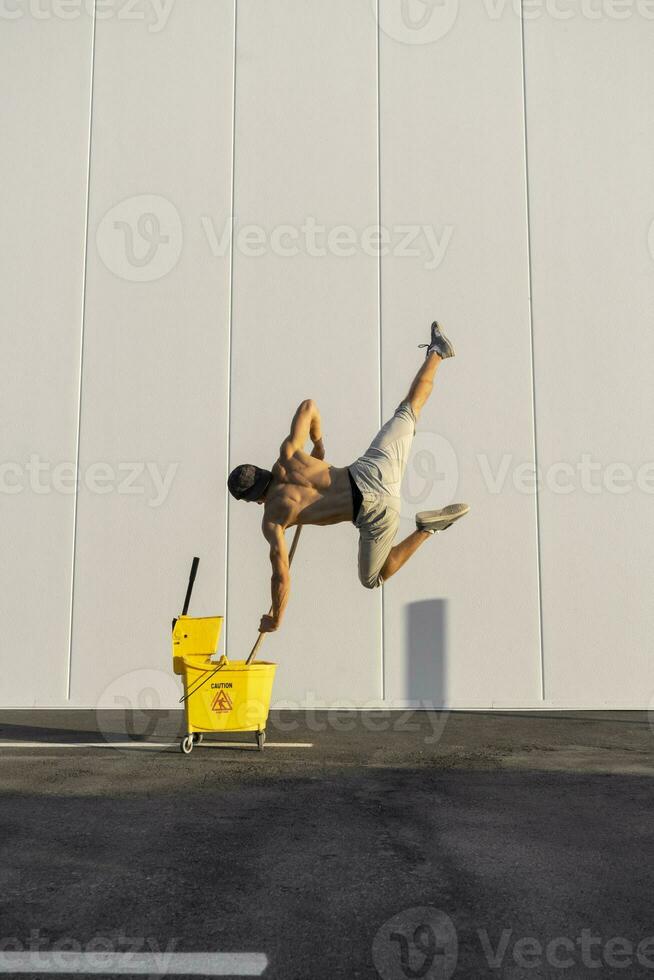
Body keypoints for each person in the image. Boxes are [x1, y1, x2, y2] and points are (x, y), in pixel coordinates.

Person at [228, 322, 469, 633]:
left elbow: (281, 574)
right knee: (409, 409)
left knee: (374, 578)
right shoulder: (288, 454)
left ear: (252, 499)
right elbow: (308, 406)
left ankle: (425, 530)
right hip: (371, 469)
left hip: (374, 514)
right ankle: (437, 352)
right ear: (261, 470)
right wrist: (318, 442)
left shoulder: (273, 518)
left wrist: (277, 615)